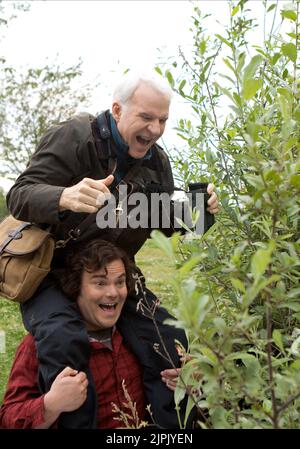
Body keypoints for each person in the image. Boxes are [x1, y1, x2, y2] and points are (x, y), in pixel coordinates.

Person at [6, 71, 218, 428]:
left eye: (163, 120)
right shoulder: (74, 136)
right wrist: (63, 196)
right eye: (146, 118)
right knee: (63, 340)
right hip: (53, 274)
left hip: (115, 275)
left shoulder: (156, 162)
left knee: (169, 338)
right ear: (118, 110)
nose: (155, 129)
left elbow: (164, 223)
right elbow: (19, 195)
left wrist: (201, 214)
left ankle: (168, 428)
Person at [0, 239, 182, 429]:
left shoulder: (141, 335)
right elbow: (8, 419)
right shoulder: (43, 343)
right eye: (100, 283)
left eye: (119, 282)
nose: (113, 293)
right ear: (75, 288)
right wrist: (50, 405)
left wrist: (193, 380)